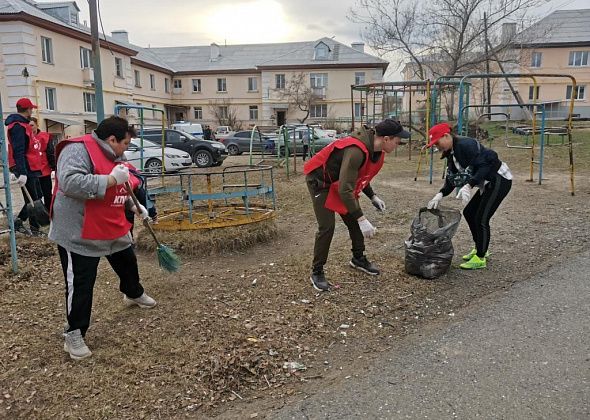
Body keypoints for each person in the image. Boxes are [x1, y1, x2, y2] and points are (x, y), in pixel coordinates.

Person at [49, 116, 157, 360]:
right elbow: (70, 182)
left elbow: (123, 186)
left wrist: (134, 205)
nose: (125, 150)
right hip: (80, 230)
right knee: (82, 284)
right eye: (125, 144)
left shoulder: (116, 155)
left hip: (110, 225)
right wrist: (109, 180)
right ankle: (74, 333)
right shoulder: (77, 149)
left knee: (127, 262)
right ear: (111, 139)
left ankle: (133, 292)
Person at [304, 119, 409, 291]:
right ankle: (317, 271)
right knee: (327, 227)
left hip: (341, 181)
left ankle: (358, 258)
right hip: (320, 182)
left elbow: (360, 175)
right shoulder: (356, 150)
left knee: (353, 220)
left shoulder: (375, 151)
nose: (398, 145)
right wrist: (362, 218)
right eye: (397, 142)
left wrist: (373, 196)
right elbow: (346, 189)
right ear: (386, 139)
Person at [425, 122, 512, 270]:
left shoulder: (466, 145)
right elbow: (451, 180)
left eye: (437, 142)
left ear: (446, 136)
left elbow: (485, 165)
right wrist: (439, 195)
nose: (437, 147)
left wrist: (469, 185)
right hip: (486, 182)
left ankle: (481, 256)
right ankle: (480, 247)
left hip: (499, 179)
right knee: (469, 213)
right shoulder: (451, 154)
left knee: (481, 218)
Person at [4, 98, 44, 235]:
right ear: (28, 109)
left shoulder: (23, 125)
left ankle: (20, 223)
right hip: (26, 167)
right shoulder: (18, 127)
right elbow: (18, 150)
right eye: (31, 108)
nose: (32, 110)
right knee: (32, 200)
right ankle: (32, 228)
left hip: (31, 166)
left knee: (36, 197)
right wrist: (22, 172)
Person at [30, 117, 56, 212]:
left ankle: (49, 212)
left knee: (47, 194)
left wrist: (54, 167)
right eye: (28, 126)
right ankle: (38, 215)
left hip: (44, 170)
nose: (30, 127)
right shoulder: (26, 137)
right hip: (32, 172)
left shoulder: (45, 136)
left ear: (37, 125)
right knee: (35, 196)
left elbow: (50, 152)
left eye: (32, 125)